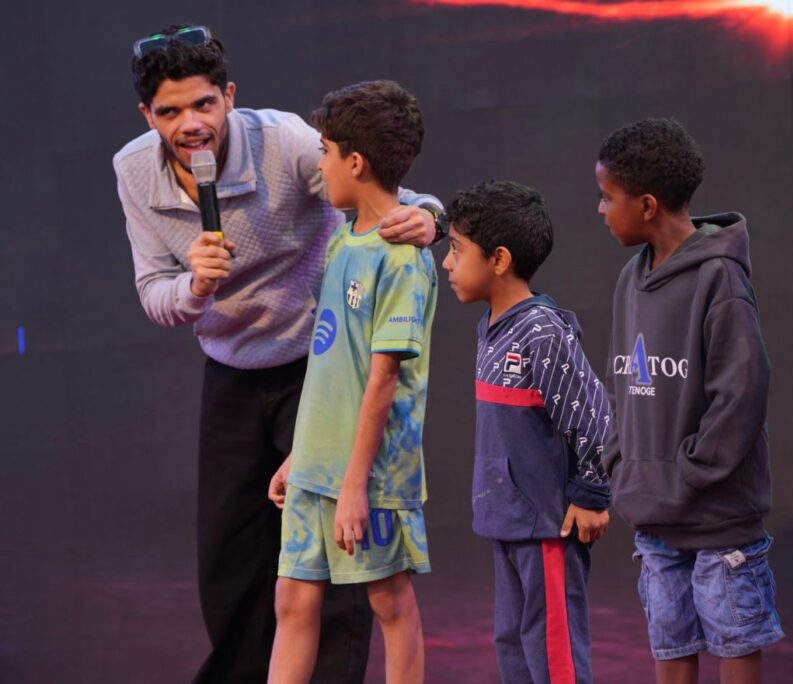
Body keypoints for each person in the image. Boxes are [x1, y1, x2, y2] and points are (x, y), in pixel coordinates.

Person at [113, 25, 444, 683]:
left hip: (317, 366)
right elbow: (155, 293)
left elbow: (381, 199)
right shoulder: (135, 171)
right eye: (171, 112)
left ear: (229, 96)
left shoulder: (287, 140)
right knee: (232, 560)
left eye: (204, 104)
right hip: (232, 366)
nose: (191, 124)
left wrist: (432, 217)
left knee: (342, 564)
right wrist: (195, 286)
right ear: (147, 116)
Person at [596, 118, 784, 684]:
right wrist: (623, 464)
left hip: (719, 520)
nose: (600, 210)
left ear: (647, 204)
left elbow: (742, 392)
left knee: (735, 639)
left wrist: (687, 474)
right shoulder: (630, 278)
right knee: (670, 641)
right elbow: (622, 385)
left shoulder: (720, 276)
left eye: (607, 196)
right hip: (654, 517)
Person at [267, 80, 436, 684]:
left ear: (356, 162)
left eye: (326, 152)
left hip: (373, 477)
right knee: (293, 600)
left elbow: (383, 380)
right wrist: (302, 453)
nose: (320, 164)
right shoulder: (342, 239)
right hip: (318, 467)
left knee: (389, 601)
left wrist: (356, 485)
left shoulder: (403, 257)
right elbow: (331, 363)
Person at [441, 180, 611, 684]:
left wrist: (592, 494)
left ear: (499, 259)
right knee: (513, 646)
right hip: (508, 523)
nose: (447, 263)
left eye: (457, 250)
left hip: (546, 531)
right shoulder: (491, 326)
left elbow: (596, 417)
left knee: (552, 653)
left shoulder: (542, 330)